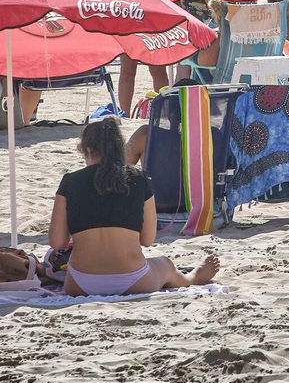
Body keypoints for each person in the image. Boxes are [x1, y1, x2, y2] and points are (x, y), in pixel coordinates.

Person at [49, 117, 220, 296]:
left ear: (89, 151)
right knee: (166, 264)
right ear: (119, 150)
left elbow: (56, 242)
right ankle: (192, 278)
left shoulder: (70, 181)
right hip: (134, 280)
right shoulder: (139, 180)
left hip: (80, 284)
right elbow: (147, 240)